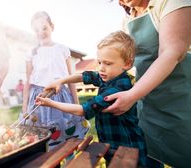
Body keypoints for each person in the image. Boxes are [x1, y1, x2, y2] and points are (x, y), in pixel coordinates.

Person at [36, 31, 149, 167]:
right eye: (100, 62)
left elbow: (83, 110)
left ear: (127, 64)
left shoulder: (120, 87)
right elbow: (84, 76)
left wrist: (50, 103)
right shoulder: (107, 77)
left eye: (107, 63)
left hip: (128, 149)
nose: (101, 68)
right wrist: (61, 80)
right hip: (111, 145)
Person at [102, 0, 191, 167]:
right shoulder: (127, 21)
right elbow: (124, 60)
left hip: (181, 101)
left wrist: (133, 95)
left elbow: (172, 51)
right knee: (149, 155)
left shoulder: (170, 2)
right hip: (148, 103)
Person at [20, 11, 90, 150]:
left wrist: (76, 104)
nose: (41, 32)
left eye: (44, 27)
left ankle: (68, 159)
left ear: (52, 26)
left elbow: (71, 79)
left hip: (60, 97)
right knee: (41, 139)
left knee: (67, 136)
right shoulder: (32, 52)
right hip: (39, 99)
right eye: (37, 30)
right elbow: (28, 81)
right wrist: (24, 108)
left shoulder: (62, 49)